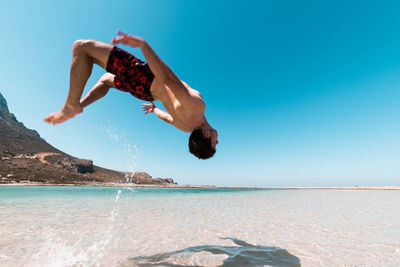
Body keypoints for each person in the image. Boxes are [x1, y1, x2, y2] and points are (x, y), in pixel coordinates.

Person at [44, 31, 218, 159]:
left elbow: (168, 79)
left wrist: (143, 45)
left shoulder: (196, 107)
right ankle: (79, 105)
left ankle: (72, 105)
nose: (218, 142)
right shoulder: (186, 128)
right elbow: (167, 117)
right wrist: (153, 109)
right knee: (106, 80)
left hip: (145, 78)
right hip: (144, 92)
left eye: (214, 144)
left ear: (207, 135)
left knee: (81, 47)